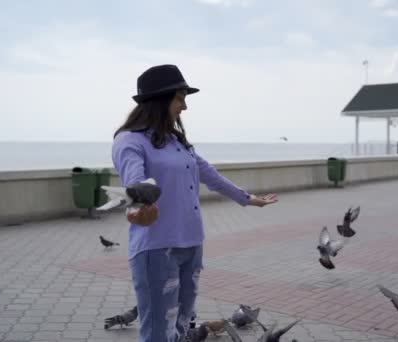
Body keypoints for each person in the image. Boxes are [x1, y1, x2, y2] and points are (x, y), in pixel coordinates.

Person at [111, 64, 278, 342]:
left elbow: (209, 174)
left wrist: (247, 199)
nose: (185, 107)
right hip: (157, 249)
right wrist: (139, 211)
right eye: (180, 98)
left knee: (180, 327)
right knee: (158, 332)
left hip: (191, 245)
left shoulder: (176, 142)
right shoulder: (129, 141)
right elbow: (135, 188)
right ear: (160, 100)